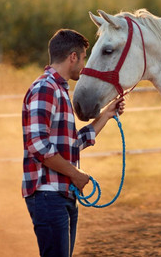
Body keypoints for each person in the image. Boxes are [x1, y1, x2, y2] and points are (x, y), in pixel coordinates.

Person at [22, 29, 125, 257]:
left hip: (60, 195)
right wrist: (76, 174)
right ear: (73, 57)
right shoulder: (46, 89)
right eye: (84, 58)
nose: (84, 65)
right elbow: (38, 146)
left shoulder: (58, 90)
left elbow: (72, 143)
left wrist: (106, 115)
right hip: (48, 194)